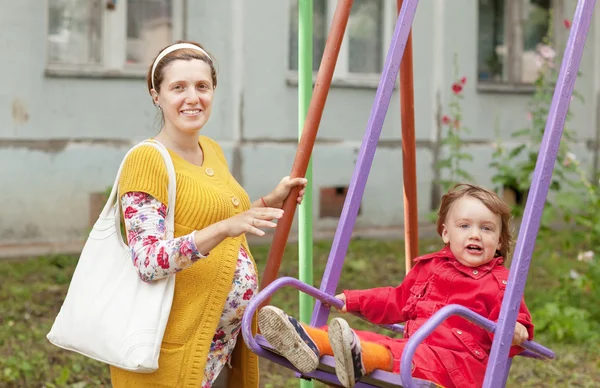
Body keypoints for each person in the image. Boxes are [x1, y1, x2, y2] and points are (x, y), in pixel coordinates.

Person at [110, 41, 307, 388]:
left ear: (214, 90)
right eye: (178, 88)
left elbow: (219, 222)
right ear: (156, 95)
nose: (192, 98)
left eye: (202, 86)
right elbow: (149, 261)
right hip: (174, 356)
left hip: (221, 351)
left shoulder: (212, 150)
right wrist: (225, 227)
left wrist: (268, 202)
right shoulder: (147, 160)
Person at [258, 183, 534, 388]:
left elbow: (516, 320)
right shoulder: (429, 268)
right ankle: (305, 338)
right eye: (465, 226)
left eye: (486, 228)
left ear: (499, 241)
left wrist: (516, 329)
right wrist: (352, 300)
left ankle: (356, 358)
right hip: (415, 351)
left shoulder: (501, 283)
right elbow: (397, 300)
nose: (475, 234)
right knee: (370, 340)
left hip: (457, 368)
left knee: (395, 352)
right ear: (446, 233)